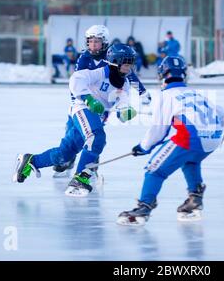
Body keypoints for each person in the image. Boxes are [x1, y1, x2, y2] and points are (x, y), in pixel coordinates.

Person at [13, 44, 139, 197]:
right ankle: (80, 178)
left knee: (65, 155)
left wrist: (125, 112)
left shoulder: (124, 84)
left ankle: (31, 160)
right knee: (96, 137)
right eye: (126, 63)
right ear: (115, 62)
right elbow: (76, 79)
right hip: (81, 110)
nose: (129, 67)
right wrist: (89, 99)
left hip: (94, 118)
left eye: (131, 63)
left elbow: (121, 103)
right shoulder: (97, 73)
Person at [116, 56, 224, 226]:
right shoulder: (195, 93)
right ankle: (195, 198)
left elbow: (159, 131)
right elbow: (220, 112)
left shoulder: (166, 95)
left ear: (162, 75)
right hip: (213, 138)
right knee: (190, 161)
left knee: (154, 170)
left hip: (191, 138)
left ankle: (144, 206)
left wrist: (143, 147)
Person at [52, 25, 151, 178]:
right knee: (71, 129)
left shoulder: (112, 56)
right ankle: (68, 158)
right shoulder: (84, 57)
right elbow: (77, 79)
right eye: (90, 41)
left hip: (104, 103)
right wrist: (77, 100)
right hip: (84, 101)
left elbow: (129, 75)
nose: (93, 45)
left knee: (95, 132)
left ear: (104, 42)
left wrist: (142, 91)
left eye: (96, 42)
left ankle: (91, 163)